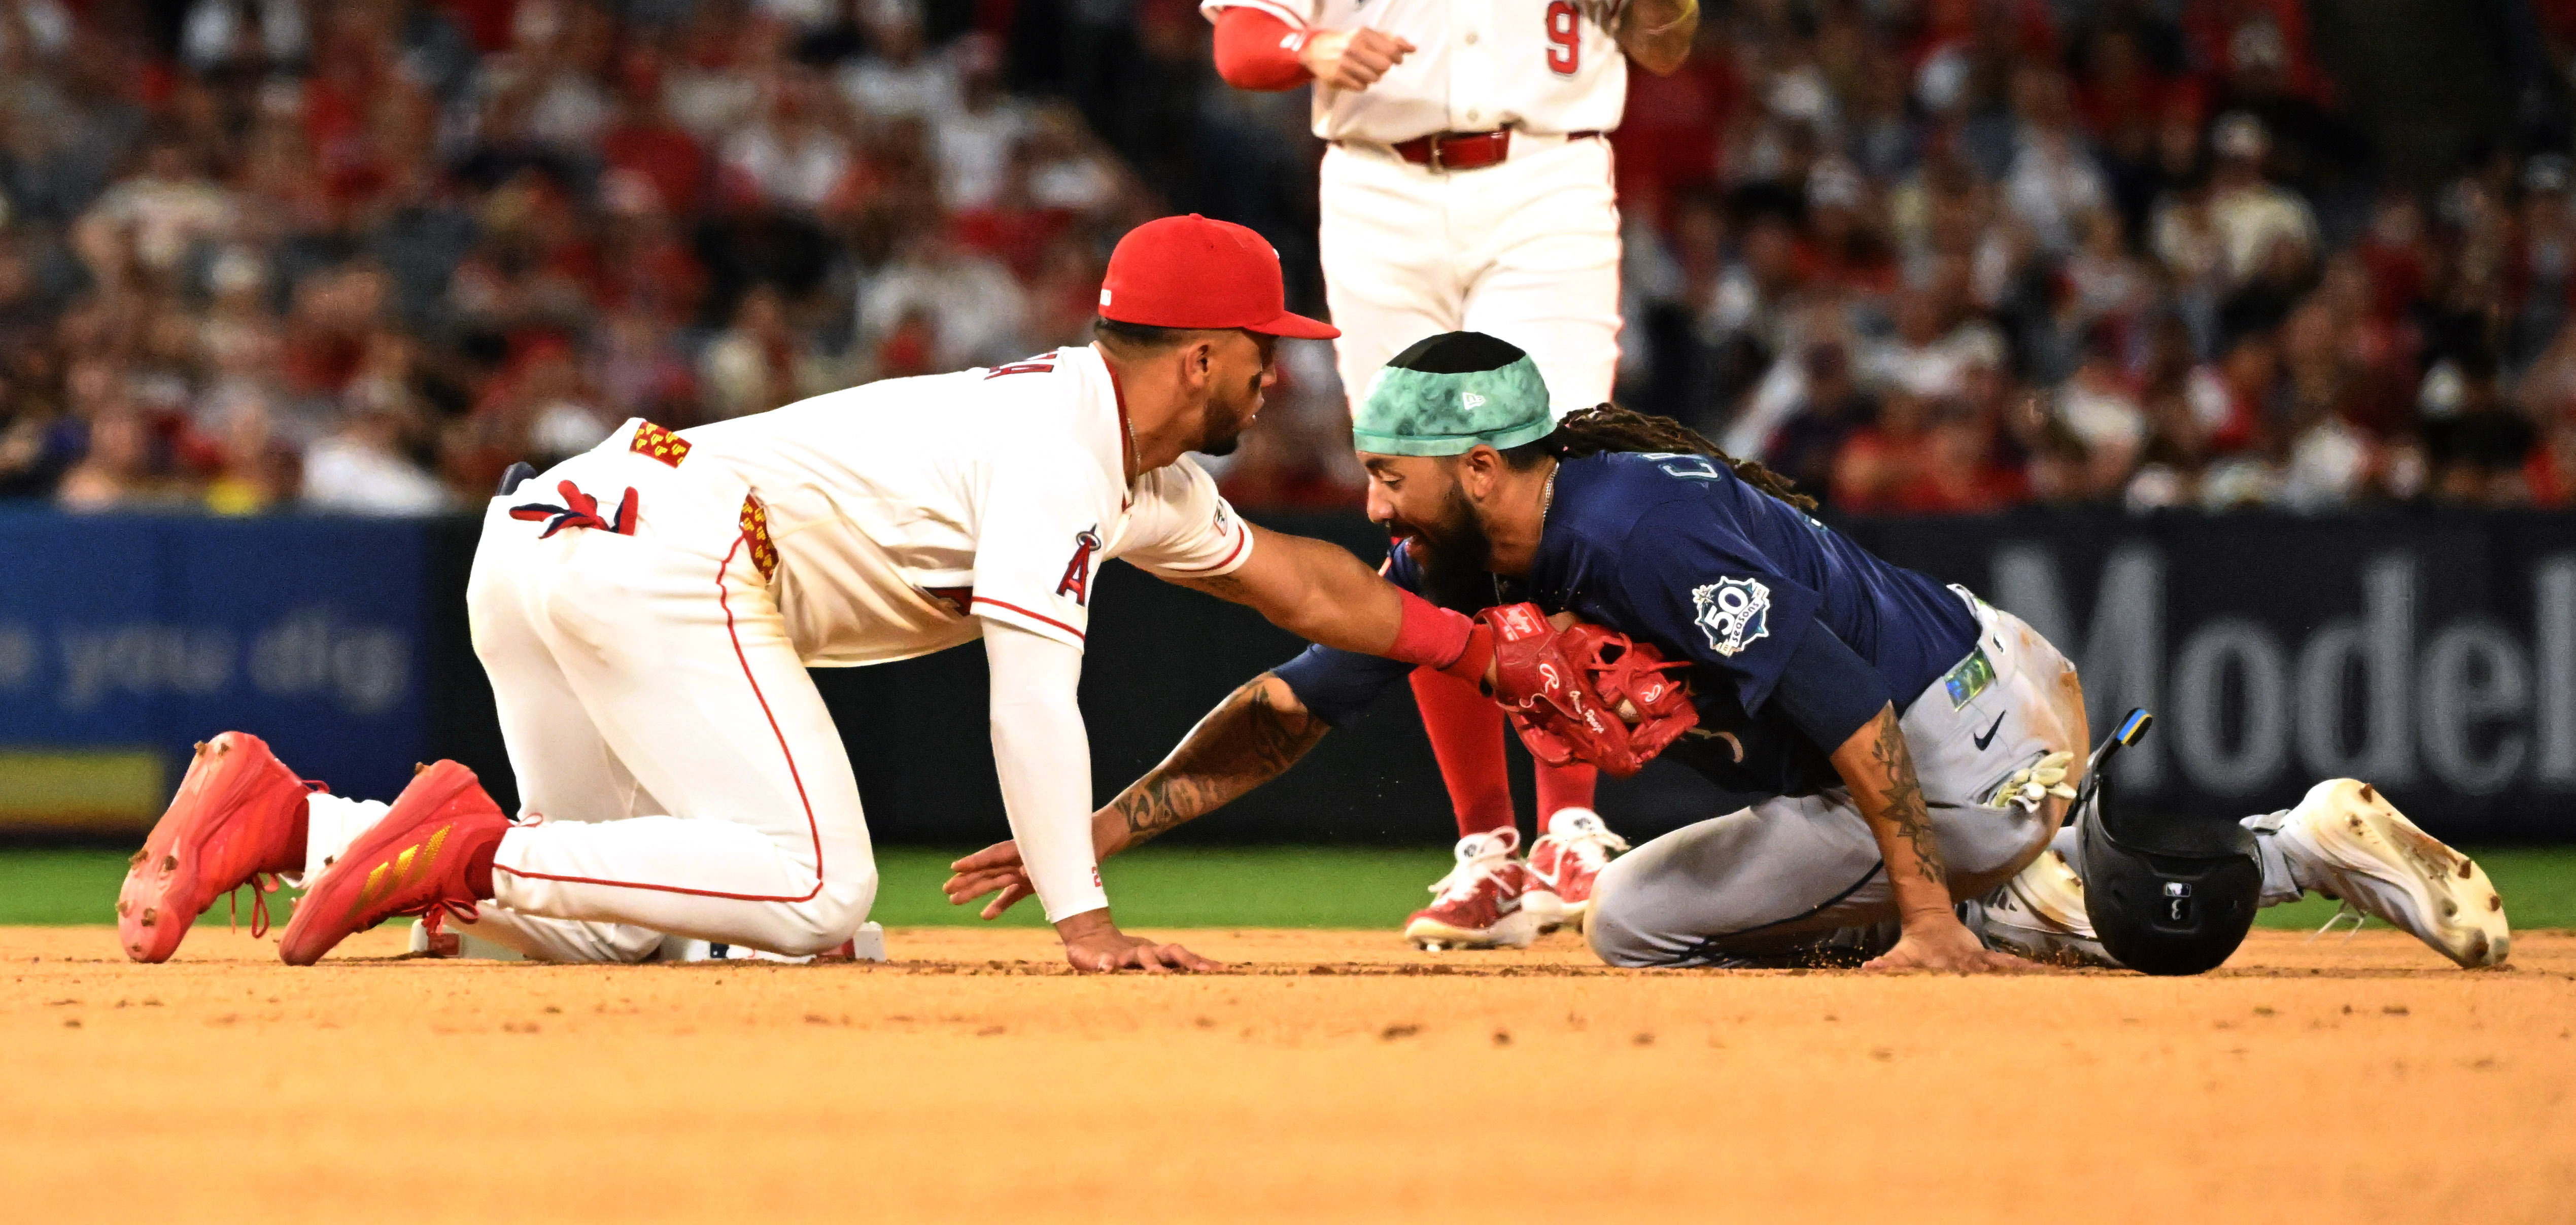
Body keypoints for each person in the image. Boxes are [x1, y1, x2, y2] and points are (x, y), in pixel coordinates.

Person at [114, 217, 1498, 973]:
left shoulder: (1142, 475)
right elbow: (1030, 700)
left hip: (548, 539)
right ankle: (462, 844)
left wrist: (1485, 648)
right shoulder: (1057, 455)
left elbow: (1311, 590)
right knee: (821, 891)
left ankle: (300, 821)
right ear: (1199, 356)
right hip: (664, 554)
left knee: (615, 924)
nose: (1281, 375)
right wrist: (1085, 922)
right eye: (1264, 351)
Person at [945, 331, 2511, 972]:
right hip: (1982, 667)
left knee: (1636, 923)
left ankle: (2070, 892)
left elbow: (1832, 695)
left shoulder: (1631, 536)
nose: (1370, 501)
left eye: (1392, 476)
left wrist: (1924, 916)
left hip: (1924, 730)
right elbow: (1298, 701)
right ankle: (2270, 851)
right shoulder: (1495, 536)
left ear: (1480, 466)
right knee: (1922, 868)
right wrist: (1093, 831)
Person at [1200, 0, 1703, 949]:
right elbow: (1241, 41)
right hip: (1376, 190)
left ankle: (1569, 826)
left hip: (1546, 174)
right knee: (1417, 507)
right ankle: (1488, 851)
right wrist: (1316, 45)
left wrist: (1653, 10)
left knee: (1552, 483)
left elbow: (1666, 44)